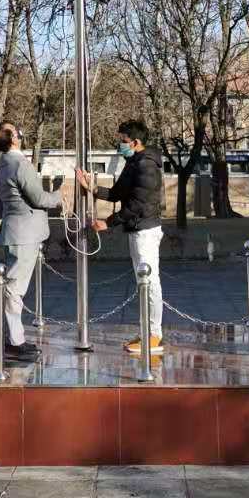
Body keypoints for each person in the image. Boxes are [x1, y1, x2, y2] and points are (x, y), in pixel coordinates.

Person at [76, 118, 165, 355]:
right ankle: (149, 332)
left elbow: (137, 203)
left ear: (135, 142)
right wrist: (91, 187)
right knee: (143, 281)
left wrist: (109, 222)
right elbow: (117, 194)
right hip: (138, 228)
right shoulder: (134, 162)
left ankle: (155, 335)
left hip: (144, 229)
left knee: (149, 281)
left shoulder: (145, 165)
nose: (120, 144)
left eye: (123, 140)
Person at [0, 121, 64, 364]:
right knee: (14, 289)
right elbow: (39, 198)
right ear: (13, 138)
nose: (21, 132)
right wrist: (59, 195)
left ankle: (13, 337)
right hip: (24, 233)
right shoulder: (19, 163)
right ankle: (15, 341)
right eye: (16, 130)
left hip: (16, 230)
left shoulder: (3, 163)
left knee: (13, 287)